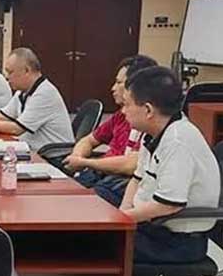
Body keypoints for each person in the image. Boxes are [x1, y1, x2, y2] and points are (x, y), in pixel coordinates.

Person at [120, 66, 220, 263]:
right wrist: (122, 213)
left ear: (148, 110)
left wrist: (121, 220)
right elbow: (137, 179)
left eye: (127, 105)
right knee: (99, 233)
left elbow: (167, 205)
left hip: (177, 242)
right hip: (153, 228)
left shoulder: (178, 141)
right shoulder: (154, 133)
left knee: (100, 244)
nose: (123, 111)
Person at [62, 55, 157, 206]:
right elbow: (88, 140)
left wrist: (85, 162)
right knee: (62, 193)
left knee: (75, 204)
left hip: (117, 182)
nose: (113, 88)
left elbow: (131, 165)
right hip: (102, 175)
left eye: (119, 83)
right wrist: (77, 158)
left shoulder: (150, 123)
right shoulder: (121, 115)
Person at [0, 47, 73, 152]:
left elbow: (17, 129)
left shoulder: (44, 93)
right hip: (31, 148)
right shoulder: (22, 91)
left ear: (26, 70)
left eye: (10, 72)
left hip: (52, 155)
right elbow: (3, 115)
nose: (7, 77)